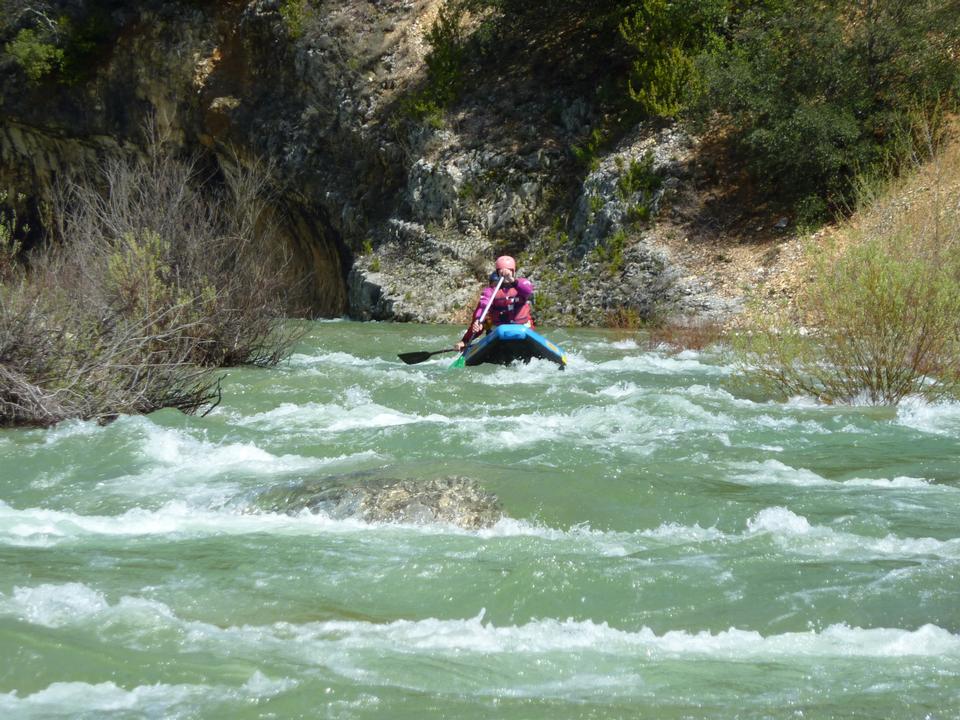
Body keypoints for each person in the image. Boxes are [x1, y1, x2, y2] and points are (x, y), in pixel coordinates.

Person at [456, 255, 534, 351]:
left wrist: (512, 280)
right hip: (499, 332)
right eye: (501, 271)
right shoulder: (491, 290)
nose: (505, 273)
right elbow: (483, 305)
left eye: (509, 270)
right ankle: (466, 342)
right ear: (497, 272)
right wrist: (478, 320)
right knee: (485, 323)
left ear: (513, 271)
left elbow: (528, 290)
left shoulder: (520, 285)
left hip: (522, 329)